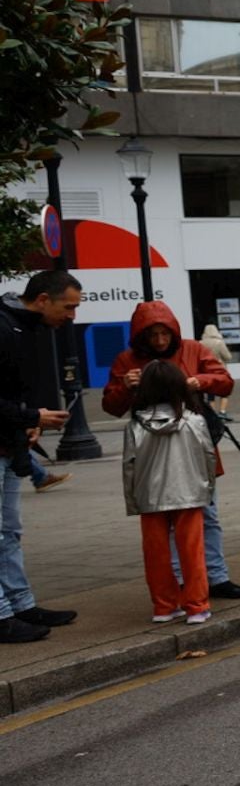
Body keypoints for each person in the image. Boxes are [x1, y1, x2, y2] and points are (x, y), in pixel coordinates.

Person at [102, 301, 240, 600]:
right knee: (164, 518)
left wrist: (199, 381)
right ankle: (181, 579)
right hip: (153, 451)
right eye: (152, 335)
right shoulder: (126, 360)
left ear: (173, 332)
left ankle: (216, 576)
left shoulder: (193, 349)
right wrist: (125, 388)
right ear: (140, 337)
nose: (159, 341)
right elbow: (111, 407)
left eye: (164, 334)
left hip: (192, 446)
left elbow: (225, 382)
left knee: (207, 514)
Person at [0, 269, 82, 641]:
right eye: (69, 306)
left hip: (9, 443)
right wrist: (32, 416)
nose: (72, 316)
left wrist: (29, 422)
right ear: (43, 299)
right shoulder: (6, 327)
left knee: (9, 532)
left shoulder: (28, 328)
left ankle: (21, 605)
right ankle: (4, 614)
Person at [123, 360, 217, 625]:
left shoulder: (135, 425)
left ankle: (164, 606)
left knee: (156, 554)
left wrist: (133, 500)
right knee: (192, 551)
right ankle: (197, 606)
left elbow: (128, 466)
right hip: (189, 491)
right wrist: (207, 487)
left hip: (150, 496)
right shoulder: (194, 421)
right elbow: (208, 456)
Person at [198, 324, 235, 413]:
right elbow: (227, 357)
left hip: (207, 370)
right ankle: (222, 411)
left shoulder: (200, 343)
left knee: (210, 393)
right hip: (219, 369)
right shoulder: (219, 343)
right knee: (224, 391)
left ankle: (213, 412)